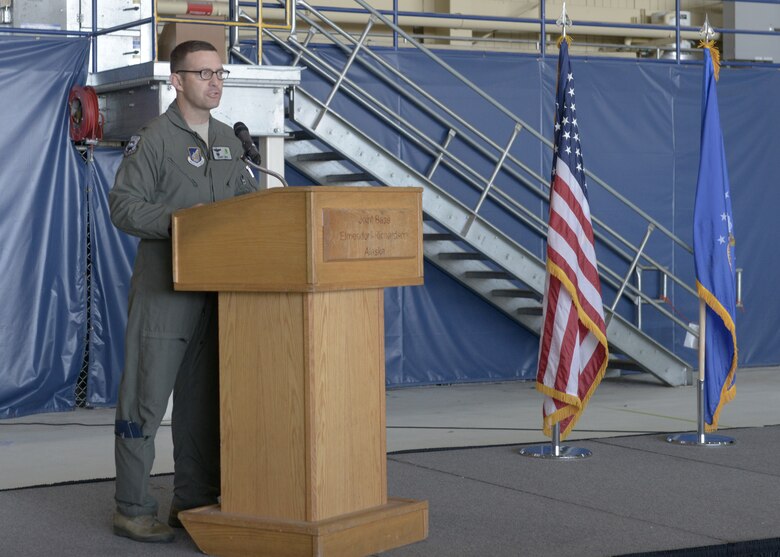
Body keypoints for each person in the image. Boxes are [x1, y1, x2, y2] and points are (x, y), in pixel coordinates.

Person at [109, 40, 257, 543]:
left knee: (202, 406)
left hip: (214, 297)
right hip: (163, 296)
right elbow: (123, 208)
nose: (215, 83)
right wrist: (181, 225)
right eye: (204, 74)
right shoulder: (153, 139)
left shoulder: (230, 141)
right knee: (144, 404)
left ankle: (191, 502)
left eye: (220, 73)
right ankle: (131, 507)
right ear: (177, 80)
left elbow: (247, 208)